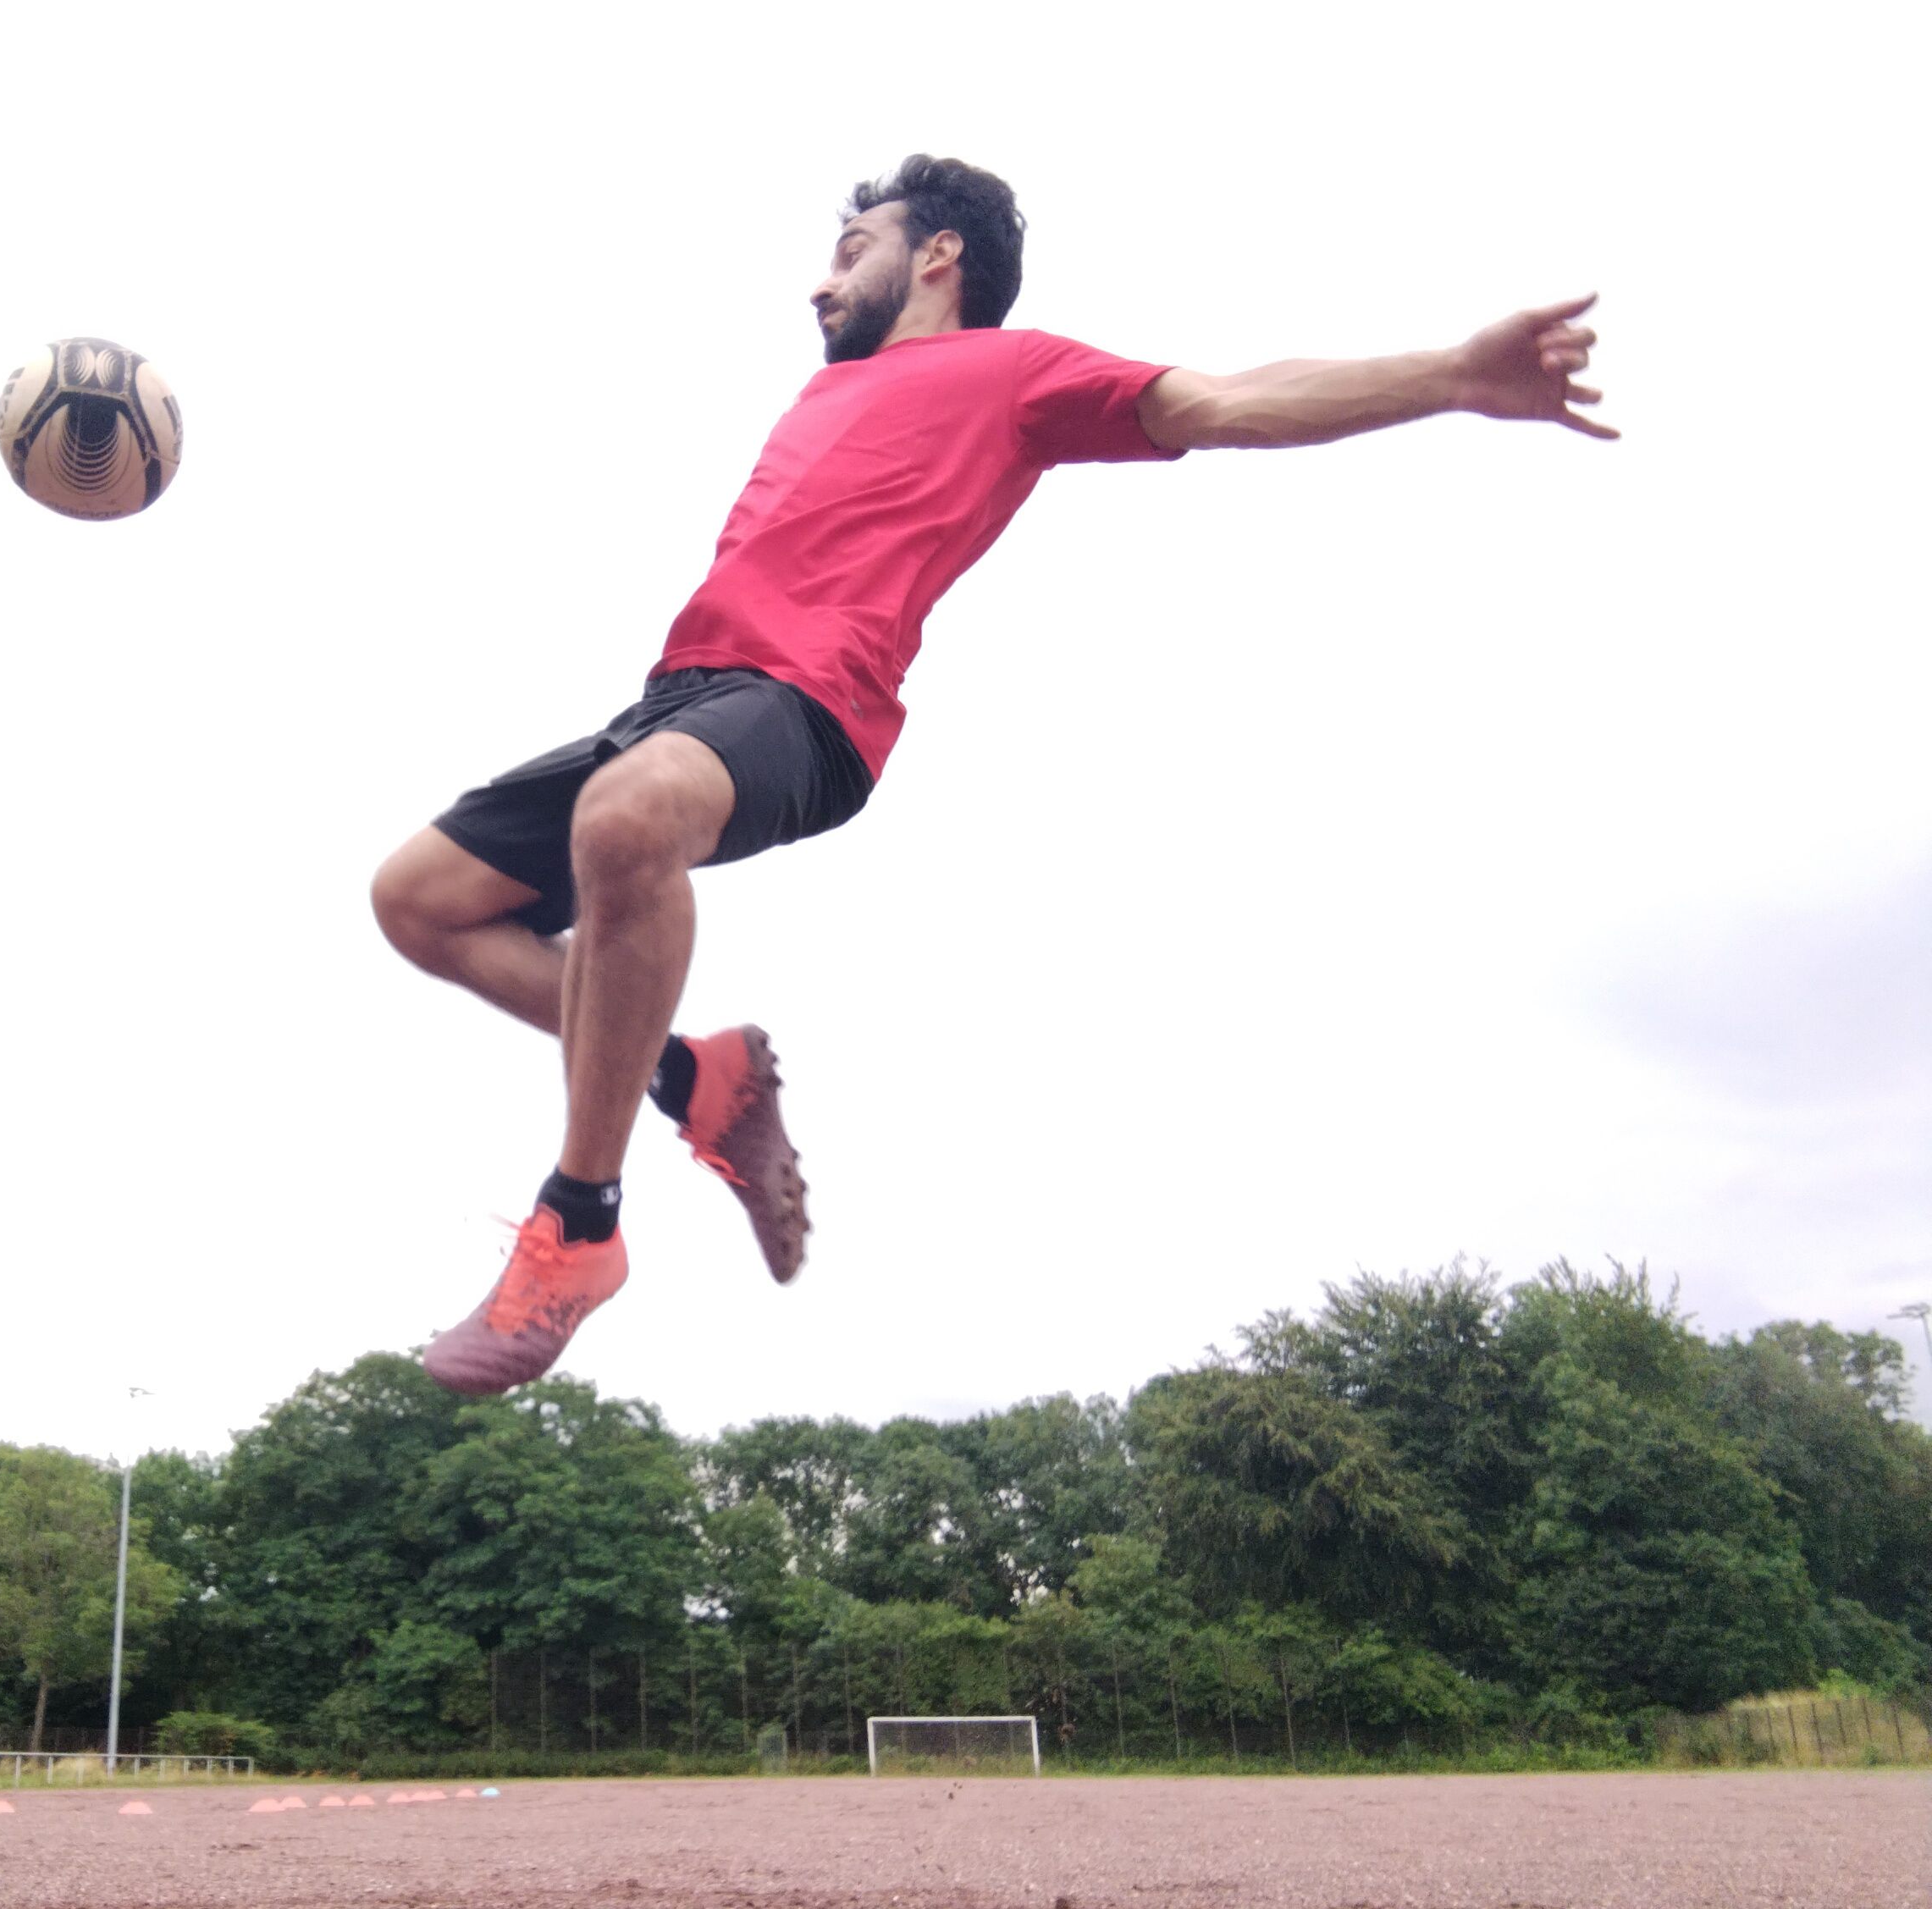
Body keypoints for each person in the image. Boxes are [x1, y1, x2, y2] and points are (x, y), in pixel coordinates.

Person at [370, 153, 1615, 1396]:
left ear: (939, 256)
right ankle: (699, 1080)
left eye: (851, 250)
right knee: (421, 900)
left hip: (811, 704)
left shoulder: (1015, 373)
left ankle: (579, 1226)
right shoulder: (833, 390)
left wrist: (1455, 374)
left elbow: (1229, 399)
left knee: (629, 818)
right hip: (681, 694)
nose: (820, 284)